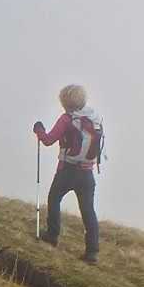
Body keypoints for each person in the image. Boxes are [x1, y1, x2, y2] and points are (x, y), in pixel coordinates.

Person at [33, 84, 102, 264]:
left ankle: (53, 235)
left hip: (67, 170)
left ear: (65, 102)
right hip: (87, 174)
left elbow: (48, 140)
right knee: (88, 211)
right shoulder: (95, 119)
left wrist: (39, 130)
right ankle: (92, 253)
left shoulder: (66, 119)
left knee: (54, 198)